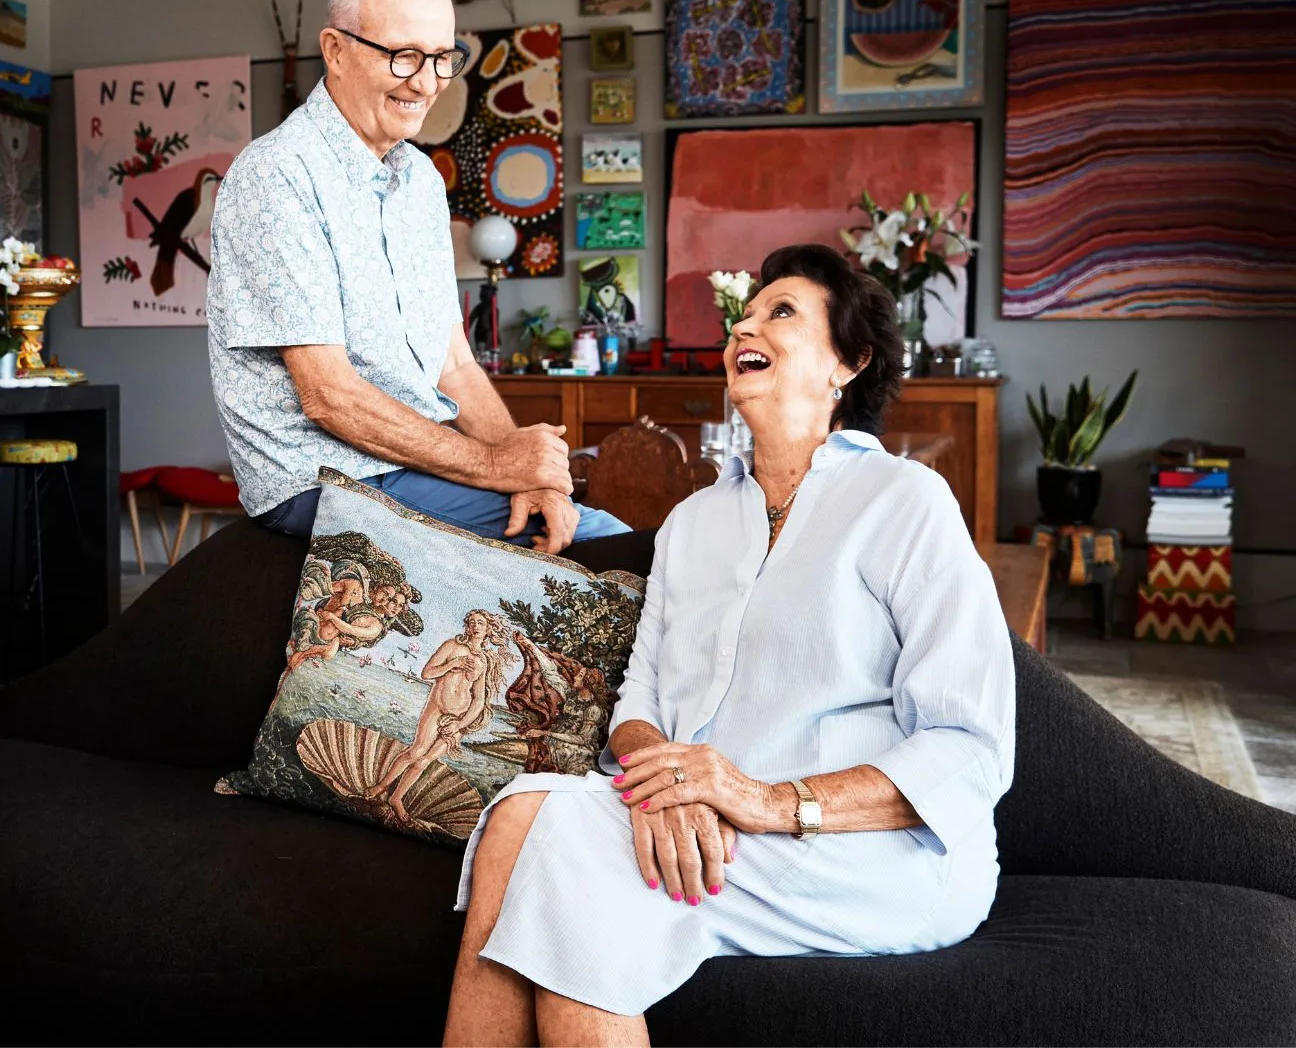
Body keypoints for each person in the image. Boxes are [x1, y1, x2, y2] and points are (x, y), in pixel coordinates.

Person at [444, 243, 1016, 1045]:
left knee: (558, 850)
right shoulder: (695, 524)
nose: (744, 325)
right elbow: (638, 699)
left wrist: (764, 802)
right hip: (714, 827)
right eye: (743, 315)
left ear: (846, 363)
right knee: (522, 821)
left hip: (878, 850)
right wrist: (665, 789)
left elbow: (971, 745)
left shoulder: (905, 501)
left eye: (780, 311)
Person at [207, 0, 629, 554]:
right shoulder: (276, 175)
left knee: (578, 523)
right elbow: (329, 396)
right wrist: (494, 468)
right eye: (404, 55)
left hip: (408, 462)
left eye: (442, 58)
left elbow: (451, 363)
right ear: (336, 49)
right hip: (320, 478)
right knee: (610, 543)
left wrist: (532, 477)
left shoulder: (422, 180)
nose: (427, 82)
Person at [370, 609, 513, 824]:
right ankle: (381, 786)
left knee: (425, 761)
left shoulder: (483, 662)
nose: (475, 626)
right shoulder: (452, 646)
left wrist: (459, 725)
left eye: (480, 623)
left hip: (457, 719)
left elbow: (479, 700)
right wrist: (452, 664)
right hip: (436, 708)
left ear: (488, 629)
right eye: (472, 622)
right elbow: (426, 673)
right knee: (416, 751)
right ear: (467, 626)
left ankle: (396, 798)